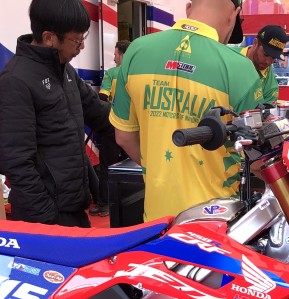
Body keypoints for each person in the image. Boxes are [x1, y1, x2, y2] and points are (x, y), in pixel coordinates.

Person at [109, 0, 262, 223]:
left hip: (156, 217)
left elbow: (124, 137)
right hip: (214, 219)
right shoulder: (241, 68)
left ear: (189, 8)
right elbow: (257, 159)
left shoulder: (136, 51)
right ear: (234, 14)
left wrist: (160, 170)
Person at [0, 0, 111, 227]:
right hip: (46, 218)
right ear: (49, 38)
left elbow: (100, 114)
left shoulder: (66, 72)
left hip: (74, 208)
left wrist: (143, 123)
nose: (82, 47)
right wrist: (47, 218)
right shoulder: (15, 82)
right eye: (77, 40)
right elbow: (17, 162)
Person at [89, 39, 131, 217]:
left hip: (114, 126)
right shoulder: (137, 72)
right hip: (134, 128)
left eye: (115, 54)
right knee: (130, 165)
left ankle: (105, 205)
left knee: (107, 166)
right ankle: (129, 201)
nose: (114, 58)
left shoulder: (112, 73)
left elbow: (102, 97)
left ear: (121, 54)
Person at [238, 24, 288, 105]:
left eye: (273, 57)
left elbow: (268, 110)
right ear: (255, 43)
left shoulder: (271, 86)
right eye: (266, 54)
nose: (268, 62)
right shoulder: (228, 57)